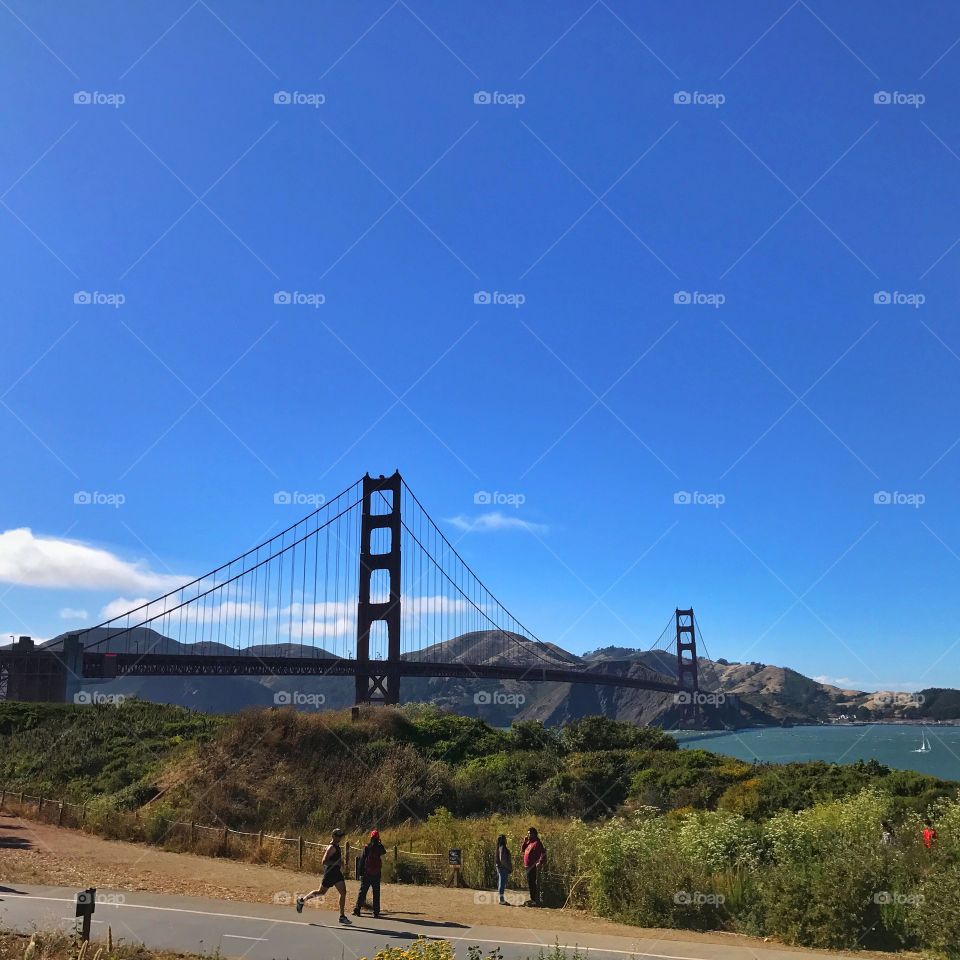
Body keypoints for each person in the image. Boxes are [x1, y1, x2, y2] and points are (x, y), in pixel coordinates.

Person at [296, 829, 351, 924]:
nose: (340, 838)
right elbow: (324, 861)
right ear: (333, 836)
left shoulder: (337, 846)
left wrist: (340, 863)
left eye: (341, 836)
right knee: (321, 892)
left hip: (336, 873)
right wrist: (336, 863)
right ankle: (302, 900)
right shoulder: (331, 847)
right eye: (338, 836)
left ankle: (342, 916)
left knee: (343, 892)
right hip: (330, 874)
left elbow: (335, 860)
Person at [353, 829, 387, 918]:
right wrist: (380, 842)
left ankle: (357, 909)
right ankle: (376, 912)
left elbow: (362, 860)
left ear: (371, 837)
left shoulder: (367, 847)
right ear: (378, 837)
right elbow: (384, 851)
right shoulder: (379, 847)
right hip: (376, 873)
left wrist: (360, 872)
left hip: (366, 873)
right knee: (376, 892)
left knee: (362, 892)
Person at [520, 826, 546, 907]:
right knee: (530, 883)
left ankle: (534, 900)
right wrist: (525, 842)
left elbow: (543, 853)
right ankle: (533, 899)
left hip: (533, 866)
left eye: (530, 834)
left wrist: (540, 862)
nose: (528, 835)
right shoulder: (529, 842)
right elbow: (523, 850)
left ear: (534, 834)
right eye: (528, 834)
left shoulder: (537, 843)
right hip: (527, 866)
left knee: (532, 883)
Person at [495, 834, 512, 905]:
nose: (506, 840)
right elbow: (502, 860)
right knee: (501, 883)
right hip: (503, 868)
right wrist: (508, 867)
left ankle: (501, 899)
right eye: (505, 839)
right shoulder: (502, 847)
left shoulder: (499, 847)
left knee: (500, 883)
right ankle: (501, 900)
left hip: (500, 867)